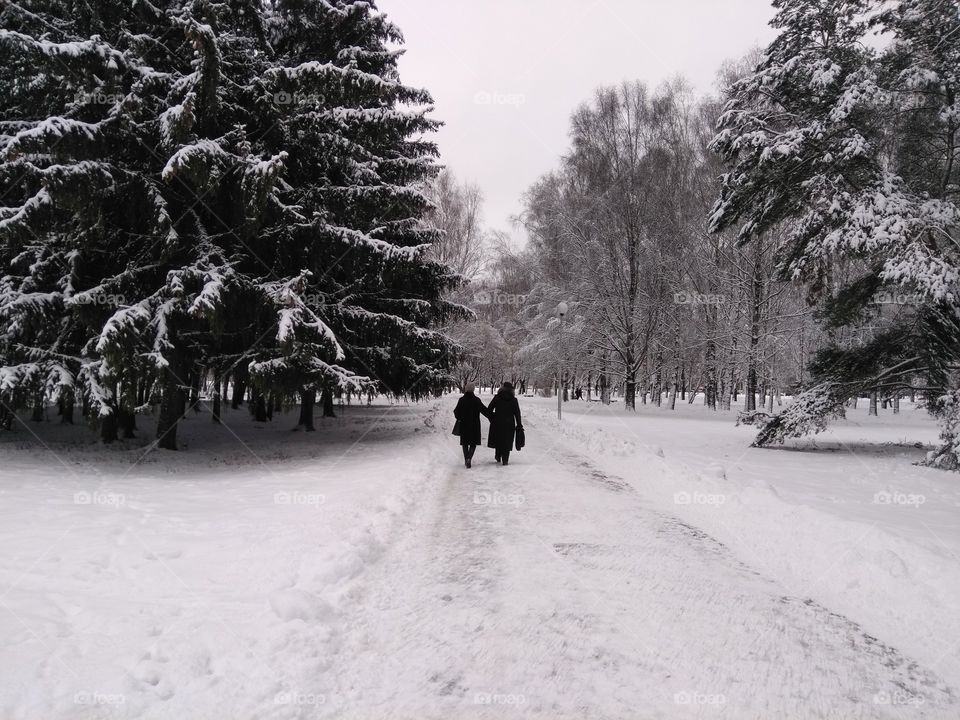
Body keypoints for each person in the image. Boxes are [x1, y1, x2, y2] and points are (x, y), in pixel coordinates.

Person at [454, 382, 491, 468]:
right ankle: (469, 458)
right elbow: (484, 411)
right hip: (475, 425)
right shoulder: (476, 400)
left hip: (464, 425)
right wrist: (493, 416)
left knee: (465, 443)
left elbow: (456, 412)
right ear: (473, 390)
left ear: (466, 389)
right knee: (473, 443)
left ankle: (466, 458)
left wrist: (460, 417)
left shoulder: (461, 400)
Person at [487, 381, 522, 465]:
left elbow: (489, 409)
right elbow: (517, 413)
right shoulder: (514, 400)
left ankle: (498, 455)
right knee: (507, 440)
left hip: (497, 422)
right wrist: (519, 424)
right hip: (509, 423)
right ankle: (505, 459)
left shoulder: (497, 398)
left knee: (498, 439)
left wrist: (492, 418)